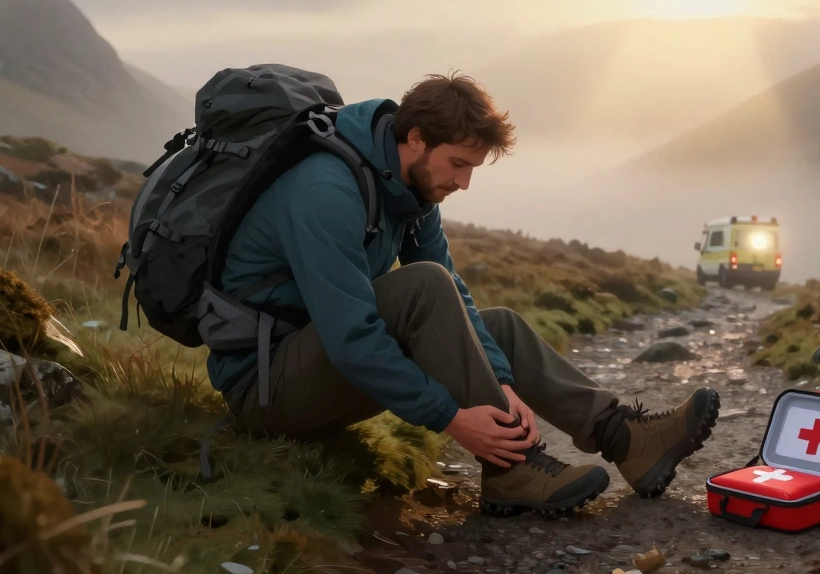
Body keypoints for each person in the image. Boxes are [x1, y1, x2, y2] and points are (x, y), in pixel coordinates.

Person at [207, 71, 720, 516]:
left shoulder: (410, 186)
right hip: (268, 387)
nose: (465, 182)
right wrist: (452, 419)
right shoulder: (325, 192)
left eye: (472, 167)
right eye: (458, 164)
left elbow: (459, 300)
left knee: (494, 324)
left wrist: (500, 380)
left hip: (320, 363)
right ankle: (512, 469)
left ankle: (625, 439)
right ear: (415, 137)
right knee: (424, 285)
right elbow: (353, 340)